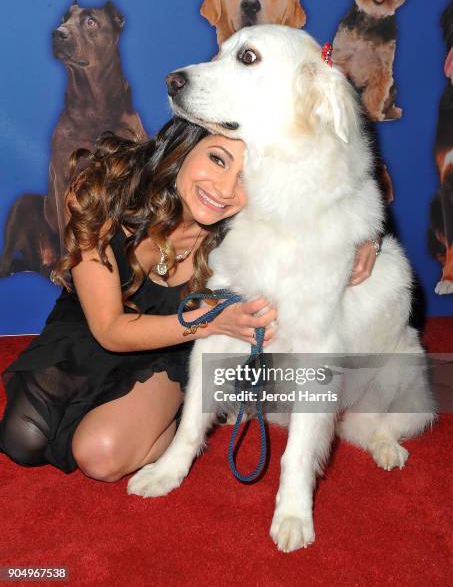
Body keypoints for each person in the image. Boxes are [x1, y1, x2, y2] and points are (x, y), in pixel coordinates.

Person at [0, 117, 380, 482]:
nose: (225, 189)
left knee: (100, 454)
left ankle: (181, 413)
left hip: (175, 354)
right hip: (99, 325)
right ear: (186, 146)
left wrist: (368, 237)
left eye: (248, 178)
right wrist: (211, 319)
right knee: (22, 440)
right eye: (217, 159)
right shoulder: (103, 191)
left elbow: (336, 198)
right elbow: (110, 328)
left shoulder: (246, 225)